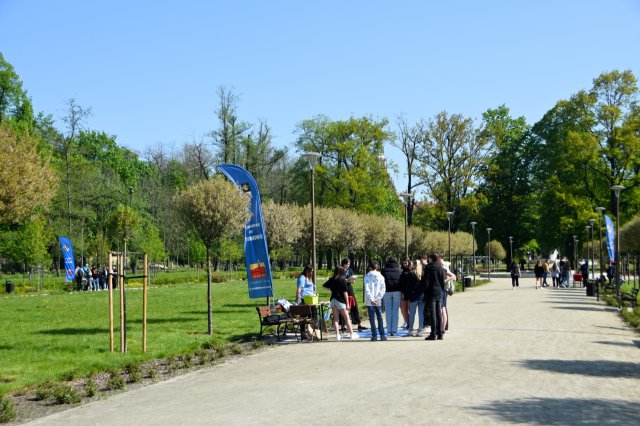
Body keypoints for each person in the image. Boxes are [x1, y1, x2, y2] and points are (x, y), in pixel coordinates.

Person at [323, 267, 358, 340]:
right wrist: (347, 303)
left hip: (333, 300)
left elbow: (324, 286)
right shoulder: (342, 280)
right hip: (340, 300)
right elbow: (345, 292)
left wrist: (331, 289)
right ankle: (351, 334)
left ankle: (337, 335)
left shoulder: (332, 279)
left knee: (336, 319)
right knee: (346, 318)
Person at [422, 253, 446, 340]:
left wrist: (425, 290)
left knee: (432, 313)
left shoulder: (428, 267)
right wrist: (442, 289)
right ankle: (440, 333)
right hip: (439, 291)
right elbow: (442, 281)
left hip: (431, 292)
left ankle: (433, 333)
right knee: (438, 313)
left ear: (431, 258)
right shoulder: (440, 267)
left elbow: (426, 281)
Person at [340, 258, 367, 332]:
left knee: (354, 304)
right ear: (343, 263)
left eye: (349, 264)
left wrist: (351, 280)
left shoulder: (350, 270)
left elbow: (352, 280)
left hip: (349, 288)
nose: (347, 265)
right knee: (343, 306)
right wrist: (345, 280)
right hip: (342, 288)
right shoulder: (340, 270)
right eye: (346, 264)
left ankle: (359, 324)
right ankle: (343, 324)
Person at [401, 258, 425, 337]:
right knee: (421, 313)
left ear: (413, 265)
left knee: (412, 314)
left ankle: (410, 330)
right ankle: (420, 330)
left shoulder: (410, 274)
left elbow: (408, 286)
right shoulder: (423, 273)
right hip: (421, 296)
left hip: (413, 296)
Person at [364, 260, 386, 341]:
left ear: (369, 267)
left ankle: (374, 335)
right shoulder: (381, 276)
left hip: (370, 301)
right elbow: (383, 288)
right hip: (378, 300)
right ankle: (382, 335)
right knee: (379, 317)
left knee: (372, 318)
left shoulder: (367, 276)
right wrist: (377, 298)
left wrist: (371, 299)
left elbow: (366, 288)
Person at [381, 257, 402, 336]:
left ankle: (389, 330)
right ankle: (395, 330)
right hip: (397, 291)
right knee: (395, 312)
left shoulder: (383, 271)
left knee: (388, 312)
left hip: (387, 292)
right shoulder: (400, 270)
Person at [439, 255, 456, 334]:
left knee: (442, 309)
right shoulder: (444, 266)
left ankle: (442, 327)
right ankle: (443, 328)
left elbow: (453, 276)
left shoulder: (444, 267)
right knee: (443, 309)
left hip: (443, 290)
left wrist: (445, 280)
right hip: (444, 290)